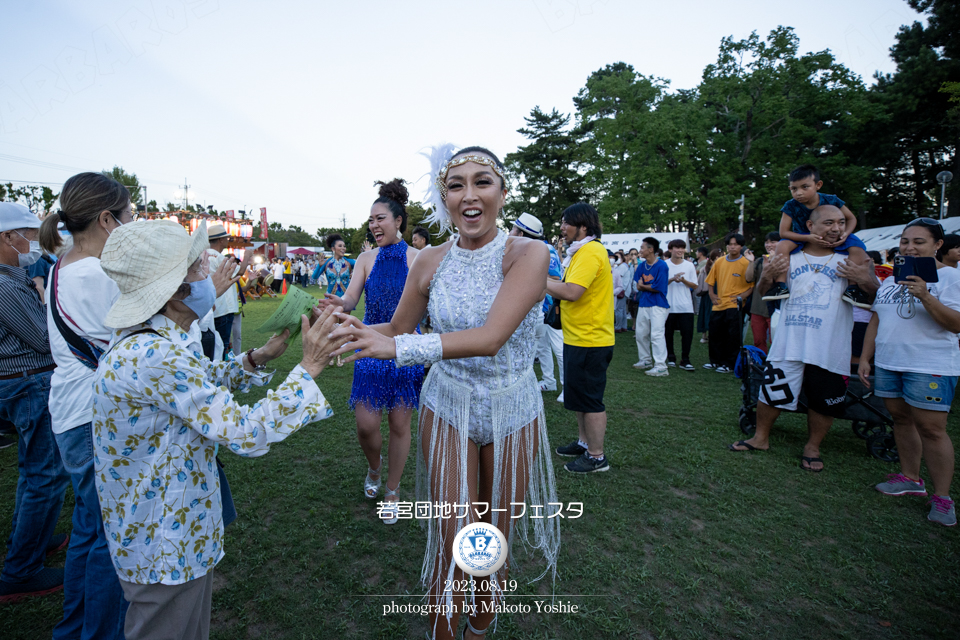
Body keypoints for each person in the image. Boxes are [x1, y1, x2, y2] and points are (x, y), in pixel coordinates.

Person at [329, 145, 558, 640]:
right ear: (444, 197)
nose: (469, 196)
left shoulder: (529, 253)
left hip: (511, 407)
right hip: (448, 403)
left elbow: (492, 337)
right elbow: (396, 326)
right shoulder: (430, 260)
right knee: (453, 533)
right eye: (456, 185)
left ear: (502, 193)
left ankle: (479, 620)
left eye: (483, 182)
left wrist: (402, 349)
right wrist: (353, 329)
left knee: (492, 536)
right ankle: (443, 629)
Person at [92, 219, 340, 640]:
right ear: (174, 290)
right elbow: (246, 431)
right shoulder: (155, 353)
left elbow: (199, 382)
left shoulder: (155, 340)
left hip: (164, 528)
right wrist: (309, 366)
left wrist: (259, 356)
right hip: (164, 540)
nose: (211, 275)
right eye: (198, 268)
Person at [34, 173, 132, 636]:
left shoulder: (61, 264)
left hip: (71, 412)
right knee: (109, 540)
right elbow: (131, 345)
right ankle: (98, 631)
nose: (132, 224)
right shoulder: (94, 273)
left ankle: (74, 627)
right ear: (107, 219)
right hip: (93, 416)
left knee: (89, 530)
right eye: (129, 215)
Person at [729, 205, 880, 471]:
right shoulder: (791, 257)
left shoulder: (852, 258)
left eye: (841, 223)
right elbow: (764, 292)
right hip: (790, 340)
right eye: (829, 223)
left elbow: (874, 297)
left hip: (830, 345)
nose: (836, 228)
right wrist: (766, 274)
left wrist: (864, 280)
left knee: (825, 399)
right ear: (810, 227)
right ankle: (760, 437)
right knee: (772, 390)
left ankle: (813, 447)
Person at [318, 179, 424, 525]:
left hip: (405, 350)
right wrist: (340, 304)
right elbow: (351, 299)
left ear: (398, 222)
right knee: (366, 425)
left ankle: (392, 489)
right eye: (371, 220)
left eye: (380, 218)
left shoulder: (418, 259)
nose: (374, 225)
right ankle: (374, 469)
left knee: (399, 423)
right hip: (368, 345)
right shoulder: (365, 258)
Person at [859, 218, 960, 527]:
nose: (909, 247)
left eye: (918, 241)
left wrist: (926, 295)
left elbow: (956, 324)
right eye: (905, 241)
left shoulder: (951, 278)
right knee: (900, 420)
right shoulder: (892, 279)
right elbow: (877, 319)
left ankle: (942, 498)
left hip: (929, 365)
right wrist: (866, 357)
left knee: (932, 429)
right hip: (890, 361)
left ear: (937, 245)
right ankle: (910, 478)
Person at [0, 202, 71, 605]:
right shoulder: (6, 284)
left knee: (33, 473)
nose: (34, 241)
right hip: (29, 383)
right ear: (9, 237)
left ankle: (32, 541)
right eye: (29, 232)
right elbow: (45, 338)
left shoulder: (14, 277)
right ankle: (21, 569)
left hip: (23, 382)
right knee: (45, 475)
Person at [547, 202, 615, 473]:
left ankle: (597, 457)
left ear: (583, 226)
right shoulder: (580, 252)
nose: (562, 228)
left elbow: (572, 291)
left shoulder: (589, 252)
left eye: (567, 223)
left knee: (590, 400)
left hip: (591, 339)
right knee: (578, 396)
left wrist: (535, 280)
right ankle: (584, 442)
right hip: (578, 337)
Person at [763, 165, 871, 308]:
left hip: (835, 233)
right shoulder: (790, 206)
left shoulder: (831, 200)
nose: (799, 193)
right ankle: (781, 285)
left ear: (818, 185)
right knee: (782, 245)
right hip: (801, 235)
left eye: (804, 187)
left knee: (857, 247)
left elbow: (851, 218)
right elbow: (783, 232)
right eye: (794, 189)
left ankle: (852, 288)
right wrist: (808, 238)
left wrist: (845, 234)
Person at [509, 213, 564, 396]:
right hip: (535, 308)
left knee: (556, 348)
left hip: (545, 308)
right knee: (542, 347)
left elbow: (556, 277)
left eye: (514, 229)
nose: (510, 232)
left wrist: (528, 276)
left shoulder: (543, 249)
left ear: (522, 234)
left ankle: (567, 388)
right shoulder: (530, 248)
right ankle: (549, 382)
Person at [704, 233, 753, 373]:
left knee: (732, 336)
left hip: (735, 305)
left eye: (735, 244)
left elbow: (751, 285)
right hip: (719, 303)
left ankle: (729, 363)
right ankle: (714, 361)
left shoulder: (745, 263)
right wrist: (712, 294)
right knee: (715, 333)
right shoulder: (719, 262)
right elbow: (710, 281)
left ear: (741, 246)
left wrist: (742, 296)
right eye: (730, 244)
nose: (732, 247)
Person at [633, 236, 670, 377]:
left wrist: (644, 286)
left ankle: (661, 366)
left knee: (657, 335)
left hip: (658, 305)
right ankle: (645, 360)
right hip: (644, 303)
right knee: (641, 334)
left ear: (651, 249)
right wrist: (645, 286)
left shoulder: (662, 266)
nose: (640, 250)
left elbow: (658, 288)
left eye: (642, 248)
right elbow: (638, 285)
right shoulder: (642, 265)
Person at [745, 232, 781, 353]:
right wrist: (751, 261)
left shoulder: (786, 260)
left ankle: (774, 366)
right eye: (767, 242)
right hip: (757, 308)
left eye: (773, 242)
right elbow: (749, 278)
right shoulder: (760, 261)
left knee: (776, 341)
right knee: (758, 341)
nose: (769, 245)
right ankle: (761, 366)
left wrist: (774, 260)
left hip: (777, 309)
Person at [664, 239, 697, 370]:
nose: (680, 250)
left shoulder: (689, 266)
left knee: (687, 333)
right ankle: (670, 357)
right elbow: (659, 285)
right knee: (667, 333)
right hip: (668, 306)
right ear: (670, 249)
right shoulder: (664, 265)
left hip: (686, 306)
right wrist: (672, 279)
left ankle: (685, 359)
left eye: (682, 248)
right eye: (677, 248)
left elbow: (695, 285)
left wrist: (683, 280)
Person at [695, 247, 715, 344]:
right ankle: (710, 335)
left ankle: (704, 336)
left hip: (705, 293)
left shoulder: (705, 266)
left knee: (704, 313)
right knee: (710, 314)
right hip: (711, 293)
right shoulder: (711, 267)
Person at [613, 250, 631, 332]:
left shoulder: (622, 267)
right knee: (622, 310)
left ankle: (618, 327)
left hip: (621, 291)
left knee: (619, 310)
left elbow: (617, 277)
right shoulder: (622, 266)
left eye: (618, 257)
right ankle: (623, 326)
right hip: (624, 291)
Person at [624, 248, 639, 330]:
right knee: (631, 309)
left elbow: (637, 273)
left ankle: (637, 326)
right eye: (632, 254)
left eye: (635, 254)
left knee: (636, 309)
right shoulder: (629, 264)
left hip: (637, 289)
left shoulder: (639, 263)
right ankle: (634, 325)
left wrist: (636, 262)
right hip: (630, 289)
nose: (633, 256)